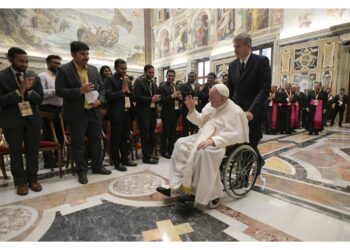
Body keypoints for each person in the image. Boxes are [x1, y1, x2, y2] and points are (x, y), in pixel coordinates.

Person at [156, 84, 249, 206]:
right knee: (180, 143)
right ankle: (177, 186)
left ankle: (198, 193)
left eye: (212, 97)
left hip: (222, 143)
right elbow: (200, 121)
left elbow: (236, 134)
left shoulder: (236, 112)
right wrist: (192, 110)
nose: (209, 100)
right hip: (202, 136)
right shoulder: (211, 105)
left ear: (223, 99)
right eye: (209, 96)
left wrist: (214, 140)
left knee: (203, 152)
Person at [55, 41, 111, 185]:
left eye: (87, 53)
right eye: (82, 54)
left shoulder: (93, 69)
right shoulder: (64, 70)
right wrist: (80, 90)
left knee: (96, 141)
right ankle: (82, 171)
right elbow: (59, 91)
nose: (85, 57)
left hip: (94, 111)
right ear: (73, 54)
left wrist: (100, 100)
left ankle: (97, 167)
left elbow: (102, 88)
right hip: (76, 113)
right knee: (78, 144)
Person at [0, 47, 44, 195]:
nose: (24, 64)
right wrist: (19, 92)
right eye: (21, 61)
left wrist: (30, 91)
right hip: (12, 121)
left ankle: (33, 179)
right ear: (11, 59)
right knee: (15, 152)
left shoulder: (33, 76)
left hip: (32, 120)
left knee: (33, 151)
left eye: (26, 61)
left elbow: (40, 99)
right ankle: (20, 182)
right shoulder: (2, 77)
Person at [227, 33, 271, 175]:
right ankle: (259, 160)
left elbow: (264, 89)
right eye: (234, 47)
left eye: (238, 46)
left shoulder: (261, 61)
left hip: (254, 112)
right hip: (237, 113)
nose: (235, 50)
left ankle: (243, 178)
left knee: (250, 143)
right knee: (240, 143)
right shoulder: (233, 65)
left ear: (248, 46)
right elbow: (230, 90)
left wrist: (252, 111)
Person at [104, 59, 137, 171]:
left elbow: (132, 96)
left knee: (125, 138)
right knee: (116, 140)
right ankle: (117, 163)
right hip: (116, 114)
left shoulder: (127, 80)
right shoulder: (109, 79)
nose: (124, 71)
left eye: (125, 68)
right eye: (121, 68)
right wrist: (122, 91)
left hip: (127, 113)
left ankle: (125, 160)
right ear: (116, 68)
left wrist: (128, 91)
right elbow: (108, 96)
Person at [38, 55, 63, 169]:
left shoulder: (61, 76)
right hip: (47, 109)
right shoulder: (42, 76)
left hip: (60, 109)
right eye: (55, 63)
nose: (57, 65)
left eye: (59, 63)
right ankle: (49, 161)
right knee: (47, 135)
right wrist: (56, 91)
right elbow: (41, 93)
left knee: (60, 135)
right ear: (48, 63)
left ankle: (59, 158)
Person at [133, 64, 160, 164]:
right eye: (149, 72)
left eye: (153, 73)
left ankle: (150, 154)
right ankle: (146, 157)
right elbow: (136, 97)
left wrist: (157, 97)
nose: (151, 74)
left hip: (152, 112)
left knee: (152, 134)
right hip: (143, 113)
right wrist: (150, 99)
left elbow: (155, 95)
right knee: (145, 135)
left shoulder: (153, 83)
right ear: (145, 72)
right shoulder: (139, 82)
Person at [158, 69, 182, 159]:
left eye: (172, 76)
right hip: (166, 113)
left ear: (174, 77)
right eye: (169, 76)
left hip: (175, 113)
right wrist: (172, 96)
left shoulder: (176, 86)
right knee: (165, 133)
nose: (171, 77)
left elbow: (179, 98)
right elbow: (161, 101)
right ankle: (163, 152)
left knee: (173, 133)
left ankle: (171, 150)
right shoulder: (162, 87)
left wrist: (180, 97)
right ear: (166, 76)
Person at [179, 72, 197, 137]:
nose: (190, 78)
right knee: (186, 128)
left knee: (194, 127)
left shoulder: (197, 85)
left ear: (195, 77)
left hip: (195, 110)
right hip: (186, 110)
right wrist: (193, 91)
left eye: (192, 76)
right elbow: (184, 94)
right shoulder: (183, 85)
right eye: (189, 76)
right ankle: (185, 143)